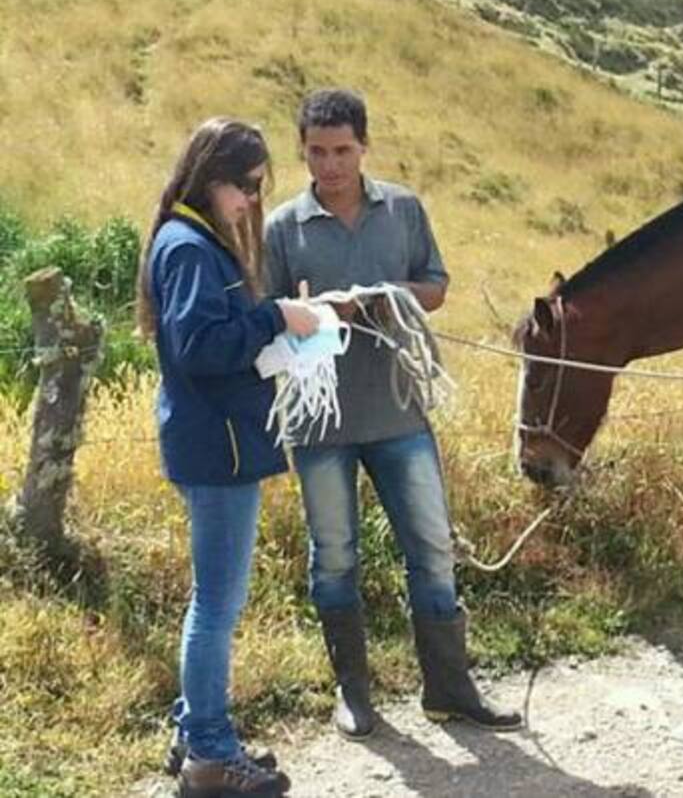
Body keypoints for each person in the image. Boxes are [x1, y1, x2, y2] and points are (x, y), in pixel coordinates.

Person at [263, 89, 520, 740]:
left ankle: (451, 693)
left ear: (364, 146)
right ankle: (354, 697)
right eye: (317, 152)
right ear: (303, 150)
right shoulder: (282, 229)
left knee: (433, 549)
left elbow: (435, 286)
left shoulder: (402, 208)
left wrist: (388, 299)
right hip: (321, 426)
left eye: (342, 150)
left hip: (402, 411)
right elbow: (266, 320)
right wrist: (320, 312)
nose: (330, 165)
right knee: (336, 557)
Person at [139, 118, 320, 797]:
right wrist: (275, 319)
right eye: (246, 187)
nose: (251, 202)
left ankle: (197, 736)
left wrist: (273, 323)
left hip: (216, 442)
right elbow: (200, 347)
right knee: (216, 604)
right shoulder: (190, 247)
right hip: (219, 449)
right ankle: (211, 756)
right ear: (212, 179)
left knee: (211, 599)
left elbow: (206, 339)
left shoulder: (189, 239)